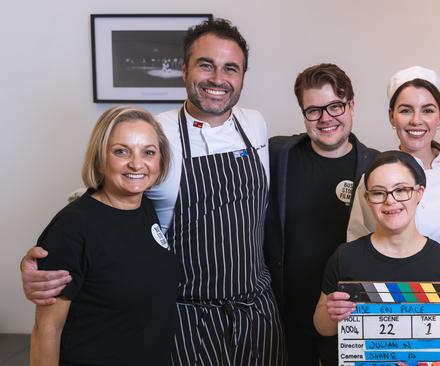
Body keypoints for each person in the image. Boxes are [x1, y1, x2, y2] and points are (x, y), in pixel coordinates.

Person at [22, 19, 285, 365]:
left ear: (242, 76)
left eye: (230, 69)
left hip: (256, 312)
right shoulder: (156, 132)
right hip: (187, 318)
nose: (218, 79)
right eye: (206, 65)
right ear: (184, 68)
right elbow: (103, 197)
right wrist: (47, 262)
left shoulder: (255, 123)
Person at [30, 107, 177, 365]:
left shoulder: (146, 208)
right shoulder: (72, 227)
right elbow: (46, 330)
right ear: (100, 159)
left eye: (148, 152)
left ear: (160, 161)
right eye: (121, 151)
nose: (136, 163)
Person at [264, 63, 379, 365]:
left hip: (351, 320)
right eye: (313, 110)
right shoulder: (276, 154)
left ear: (351, 105)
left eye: (335, 106)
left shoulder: (377, 167)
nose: (325, 118)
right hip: (284, 319)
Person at [314, 151, 440, 364]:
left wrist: (435, 363)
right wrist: (331, 313)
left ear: (419, 192)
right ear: (367, 198)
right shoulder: (345, 257)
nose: (390, 201)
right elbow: (323, 328)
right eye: (379, 193)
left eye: (401, 190)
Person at [347, 66, 440, 252]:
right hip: (394, 280)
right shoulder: (375, 178)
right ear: (391, 116)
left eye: (427, 110)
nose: (416, 120)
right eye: (406, 110)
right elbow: (357, 247)